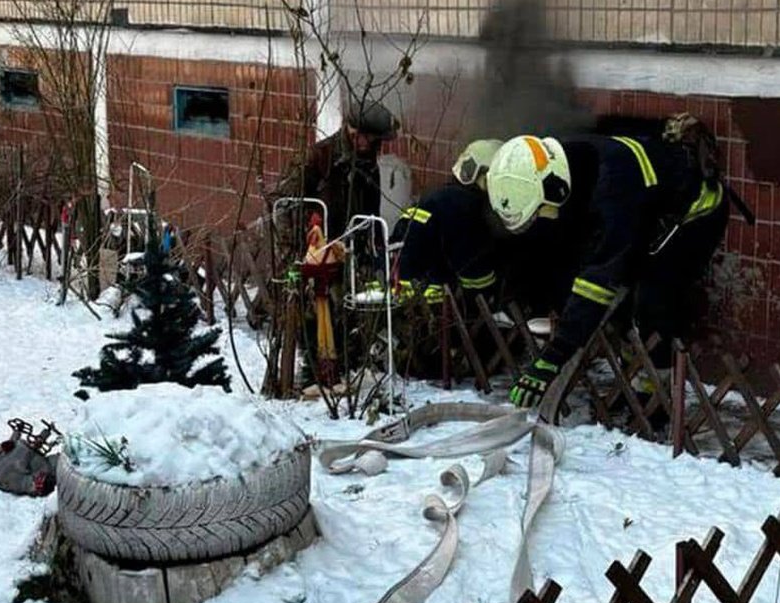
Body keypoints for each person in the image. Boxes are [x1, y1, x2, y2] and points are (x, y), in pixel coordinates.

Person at [489, 114, 737, 410]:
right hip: (648, 215)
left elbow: (598, 280)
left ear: (554, 188)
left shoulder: (616, 188)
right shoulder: (562, 161)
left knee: (652, 299)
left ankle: (655, 395)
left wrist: (555, 355)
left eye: (540, 210)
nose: (543, 217)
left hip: (694, 216)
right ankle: (635, 380)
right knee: (622, 302)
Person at [391, 139, 504, 306]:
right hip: (429, 304)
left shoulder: (439, 196)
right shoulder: (467, 208)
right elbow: (476, 279)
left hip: (393, 293)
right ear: (486, 178)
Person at [277, 99, 400, 240]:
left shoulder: (367, 166)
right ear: (355, 135)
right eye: (372, 140)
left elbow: (372, 215)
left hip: (353, 250)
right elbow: (281, 203)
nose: (376, 147)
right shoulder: (318, 158)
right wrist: (291, 246)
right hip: (317, 249)